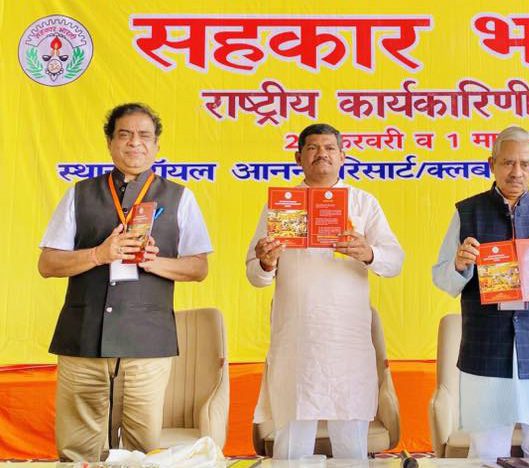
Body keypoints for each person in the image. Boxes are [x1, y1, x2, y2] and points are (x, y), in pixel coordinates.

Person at [38, 103, 212, 461]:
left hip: (147, 343)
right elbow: (47, 264)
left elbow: (198, 268)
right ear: (110, 142)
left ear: (157, 145)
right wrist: (98, 254)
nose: (135, 143)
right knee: (77, 449)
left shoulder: (180, 197)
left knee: (142, 449)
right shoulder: (79, 193)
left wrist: (153, 262)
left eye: (145, 135)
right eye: (125, 134)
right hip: (82, 337)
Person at [246, 123, 404, 459]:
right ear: (298, 158)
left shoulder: (363, 203)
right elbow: (255, 276)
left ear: (343, 157)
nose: (322, 154)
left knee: (351, 449)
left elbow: (395, 262)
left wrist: (369, 253)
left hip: (345, 342)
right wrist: (266, 262)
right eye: (313, 148)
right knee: (291, 448)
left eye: (330, 148)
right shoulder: (281, 206)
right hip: (296, 341)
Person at [432, 126, 529, 459]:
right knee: (488, 451)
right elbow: (441, 277)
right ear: (492, 164)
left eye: (525, 164)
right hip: (487, 346)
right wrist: (459, 264)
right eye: (507, 163)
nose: (516, 172)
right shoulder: (467, 212)